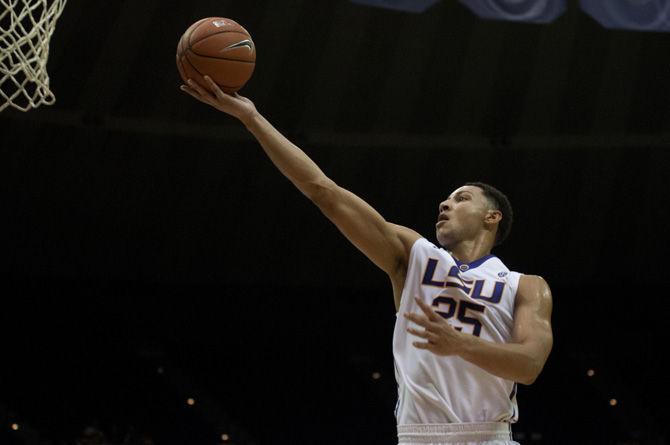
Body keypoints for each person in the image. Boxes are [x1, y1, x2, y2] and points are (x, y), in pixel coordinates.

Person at [180, 76, 553, 445]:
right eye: (447, 199)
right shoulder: (415, 256)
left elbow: (530, 364)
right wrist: (252, 119)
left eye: (462, 198)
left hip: (489, 437)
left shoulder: (526, 285)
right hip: (416, 438)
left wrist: (460, 345)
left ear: (493, 216)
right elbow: (324, 192)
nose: (445, 203)